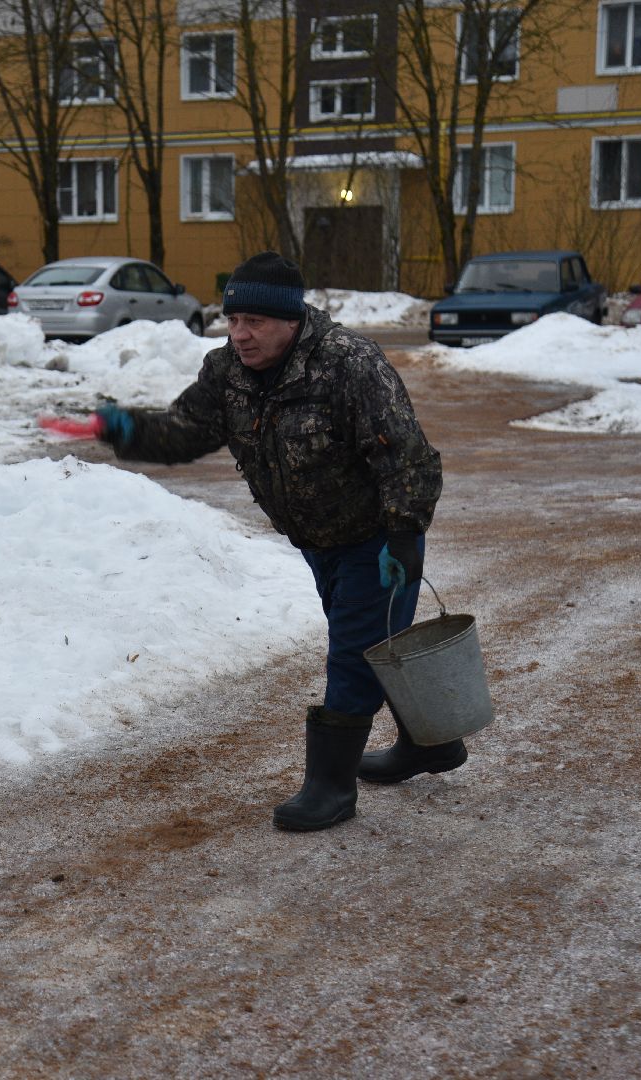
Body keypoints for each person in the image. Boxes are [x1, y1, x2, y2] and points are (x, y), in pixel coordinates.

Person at [87, 252, 463, 831]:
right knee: (370, 644)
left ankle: (330, 786)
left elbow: (404, 454)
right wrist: (127, 428)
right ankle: (431, 744)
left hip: (375, 540)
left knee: (352, 655)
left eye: (255, 323)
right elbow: (187, 430)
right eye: (233, 321)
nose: (240, 335)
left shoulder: (348, 364)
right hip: (317, 540)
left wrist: (406, 535)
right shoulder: (226, 372)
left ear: (290, 320)